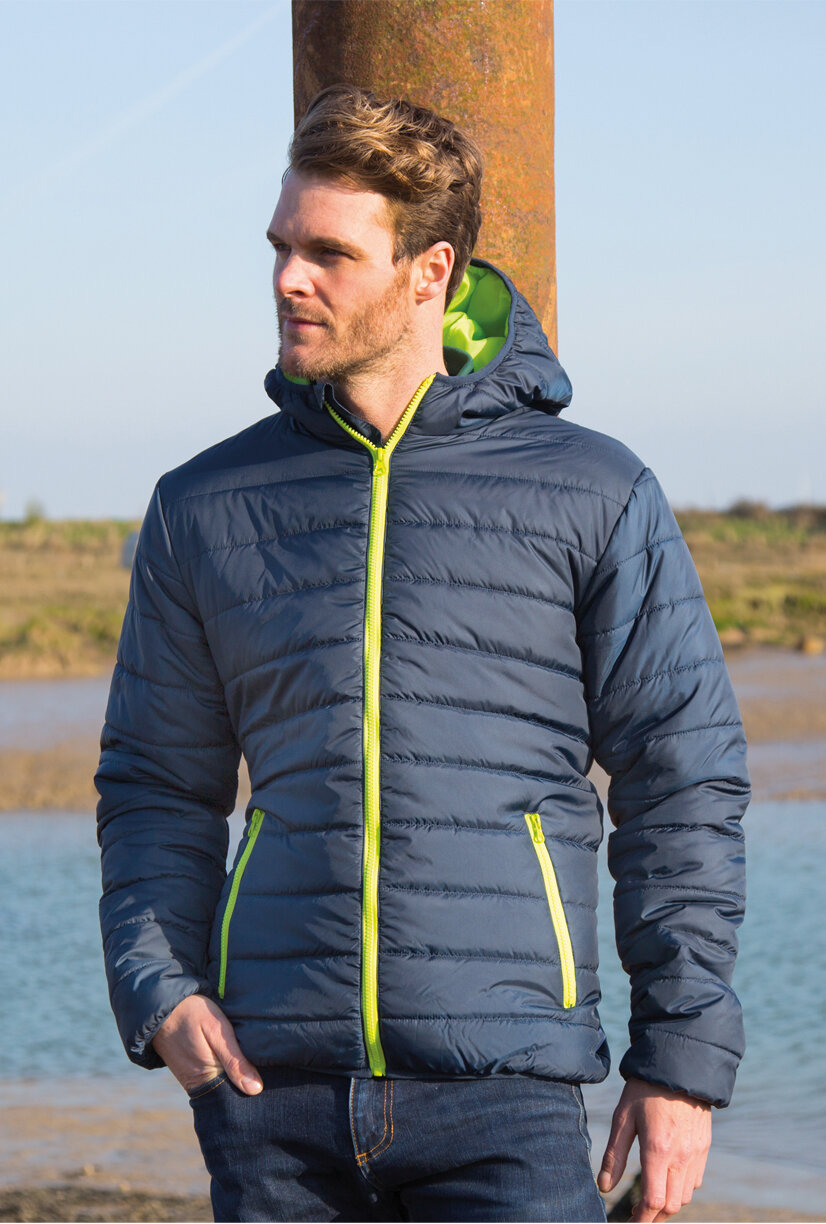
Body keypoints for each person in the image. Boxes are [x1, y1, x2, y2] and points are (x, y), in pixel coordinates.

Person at [96, 85, 748, 1224]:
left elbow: (680, 780)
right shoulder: (204, 506)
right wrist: (162, 993)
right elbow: (156, 783)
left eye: (329, 254)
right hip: (268, 1101)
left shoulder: (592, 492)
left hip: (507, 1101)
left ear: (430, 272)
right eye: (281, 246)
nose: (288, 278)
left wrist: (680, 1060)